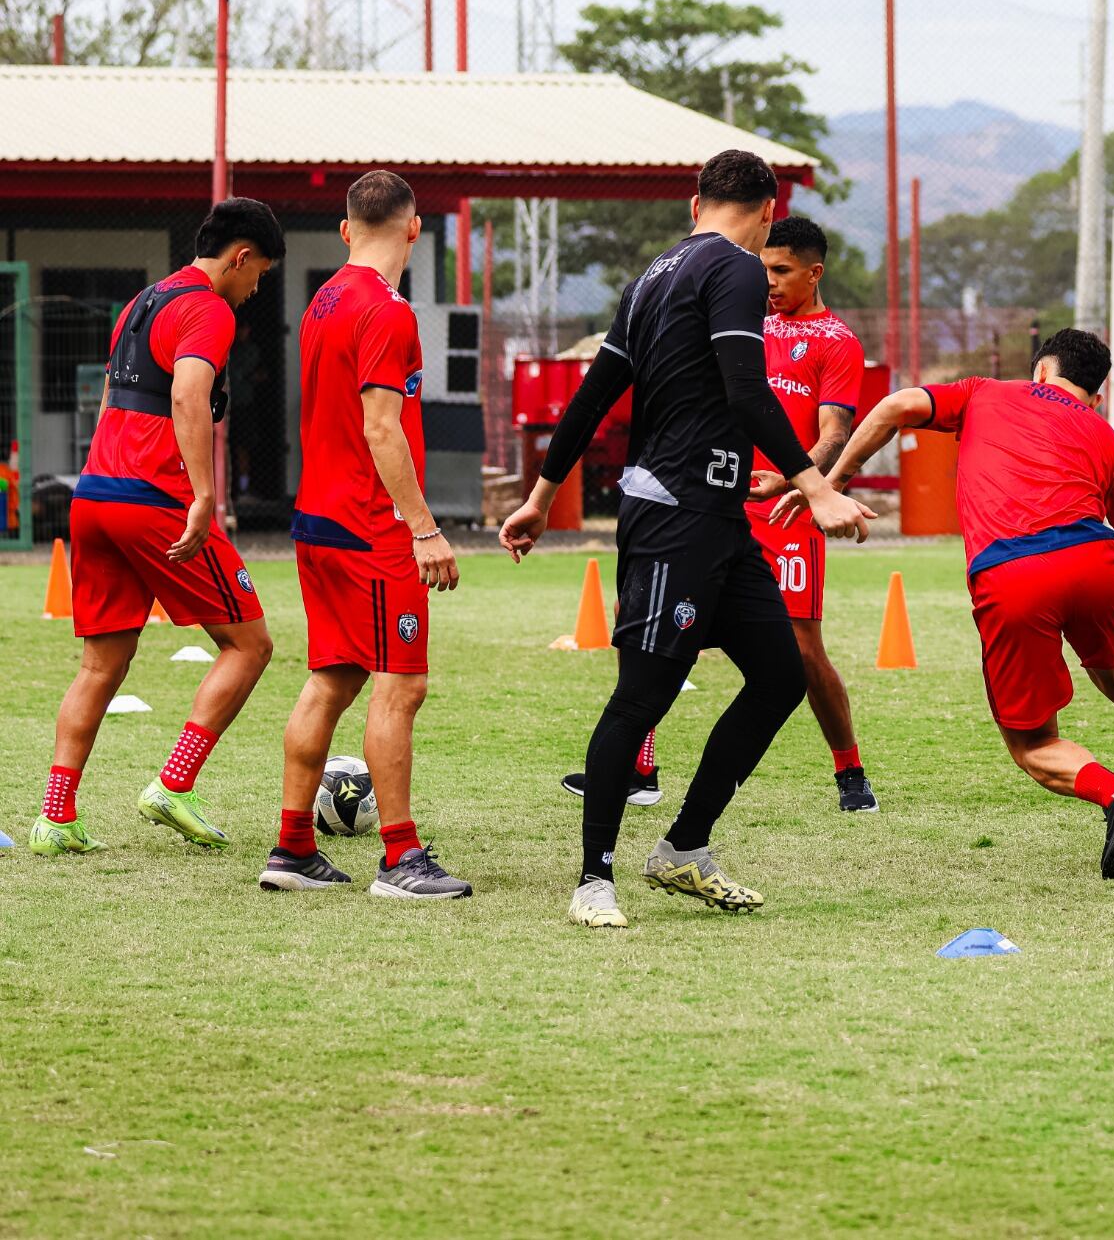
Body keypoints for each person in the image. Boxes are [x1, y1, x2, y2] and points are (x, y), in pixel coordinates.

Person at [503, 150, 873, 930]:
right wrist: (815, 486)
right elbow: (746, 390)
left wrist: (541, 495)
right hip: (676, 512)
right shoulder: (734, 267)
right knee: (644, 695)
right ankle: (593, 880)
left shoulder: (650, 276)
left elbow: (593, 394)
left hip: (715, 518)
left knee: (779, 675)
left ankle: (685, 845)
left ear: (694, 203)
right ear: (768, 212)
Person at [792, 328, 1114, 877]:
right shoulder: (1107, 439)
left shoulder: (986, 391)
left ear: (1042, 370)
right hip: (1092, 562)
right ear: (1096, 397)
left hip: (1012, 571)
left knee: (1033, 744)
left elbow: (896, 406)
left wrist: (831, 484)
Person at [561, 215, 879, 814]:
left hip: (786, 511)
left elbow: (835, 433)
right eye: (764, 268)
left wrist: (797, 481)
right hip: (714, 505)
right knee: (645, 626)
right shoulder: (743, 316)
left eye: (782, 270)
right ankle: (639, 770)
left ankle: (850, 769)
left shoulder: (836, 341)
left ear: (814, 273)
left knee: (802, 650)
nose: (769, 281)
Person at [29, 199, 285, 857]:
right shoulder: (210, 309)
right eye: (259, 275)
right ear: (241, 257)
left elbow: (111, 400)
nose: (255, 289)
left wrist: (105, 478)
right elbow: (187, 395)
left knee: (100, 665)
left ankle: (55, 818)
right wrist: (204, 495)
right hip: (155, 496)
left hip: (96, 493)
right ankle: (174, 783)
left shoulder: (141, 303)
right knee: (250, 644)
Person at [261, 171, 471, 899]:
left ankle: (293, 848)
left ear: (347, 230)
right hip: (369, 529)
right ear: (414, 229)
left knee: (334, 676)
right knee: (401, 685)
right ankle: (400, 859)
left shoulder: (323, 299)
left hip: (317, 521)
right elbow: (381, 427)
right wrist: (424, 529)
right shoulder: (386, 310)